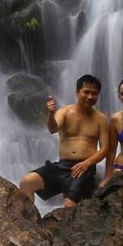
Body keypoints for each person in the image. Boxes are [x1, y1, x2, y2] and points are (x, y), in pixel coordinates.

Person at [19, 73, 110, 207]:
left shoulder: (101, 119)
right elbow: (53, 128)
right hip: (61, 166)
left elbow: (105, 148)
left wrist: (87, 163)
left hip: (84, 169)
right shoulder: (65, 112)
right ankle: (31, 223)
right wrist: (50, 113)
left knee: (68, 206)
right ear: (77, 93)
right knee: (26, 182)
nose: (90, 97)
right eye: (86, 92)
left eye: (94, 93)